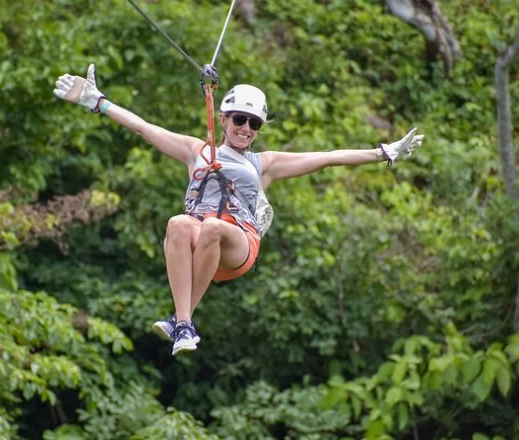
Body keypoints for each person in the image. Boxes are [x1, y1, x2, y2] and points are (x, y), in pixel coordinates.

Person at [54, 64, 424, 356]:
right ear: (224, 119)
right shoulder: (196, 150)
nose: (246, 128)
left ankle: (183, 322)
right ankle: (182, 323)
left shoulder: (265, 164)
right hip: (200, 239)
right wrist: (98, 102)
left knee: (213, 227)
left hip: (238, 242)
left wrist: (383, 153)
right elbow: (143, 128)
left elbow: (327, 158)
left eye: (254, 123)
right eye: (239, 120)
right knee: (178, 223)